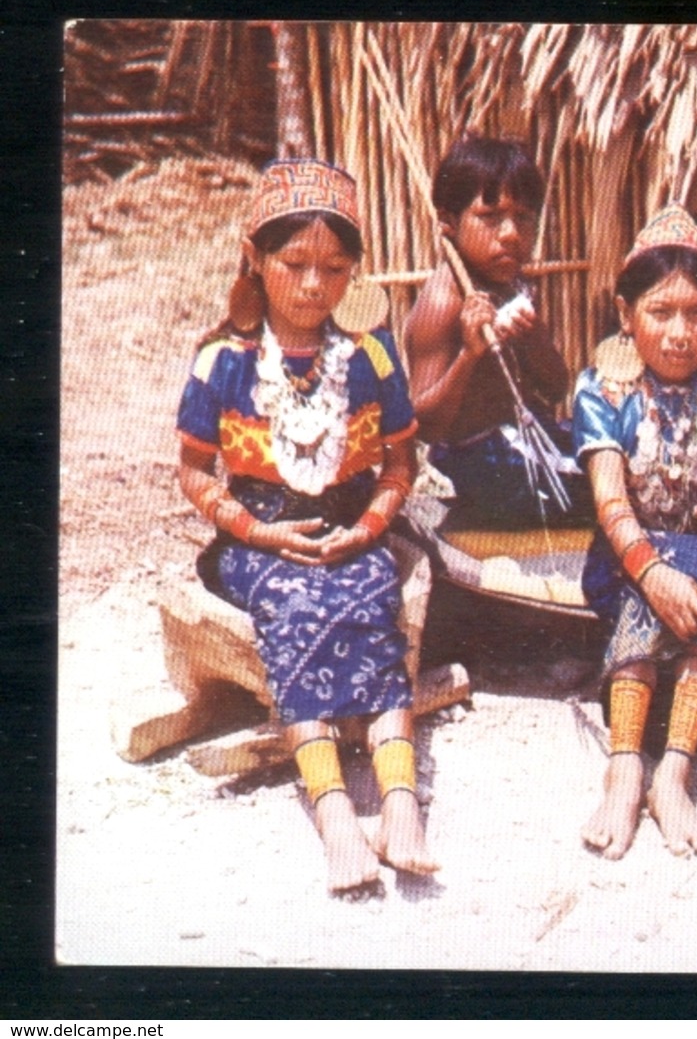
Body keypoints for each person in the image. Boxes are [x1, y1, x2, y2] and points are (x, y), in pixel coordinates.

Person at [176, 159, 435, 894]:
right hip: (256, 539)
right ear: (255, 259)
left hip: (352, 527)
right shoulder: (221, 362)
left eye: (335, 267)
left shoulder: (371, 356)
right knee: (294, 602)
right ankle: (335, 819)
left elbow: (397, 467)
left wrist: (371, 528)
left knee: (371, 593)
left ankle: (399, 803)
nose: (315, 285)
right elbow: (195, 473)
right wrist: (262, 536)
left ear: (355, 272)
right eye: (294, 264)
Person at [573, 207, 697, 860]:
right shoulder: (603, 389)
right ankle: (626, 769)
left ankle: (673, 773)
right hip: (629, 563)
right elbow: (609, 498)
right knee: (652, 589)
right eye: (660, 313)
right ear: (626, 315)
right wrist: (654, 574)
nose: (680, 333)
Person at [402, 136, 584, 526]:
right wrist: (470, 355)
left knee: (612, 460)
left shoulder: (511, 287)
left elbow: (555, 387)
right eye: (490, 217)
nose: (510, 234)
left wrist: (532, 338)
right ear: (449, 223)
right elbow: (425, 426)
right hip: (477, 459)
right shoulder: (443, 304)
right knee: (601, 494)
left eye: (523, 217)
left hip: (527, 438)